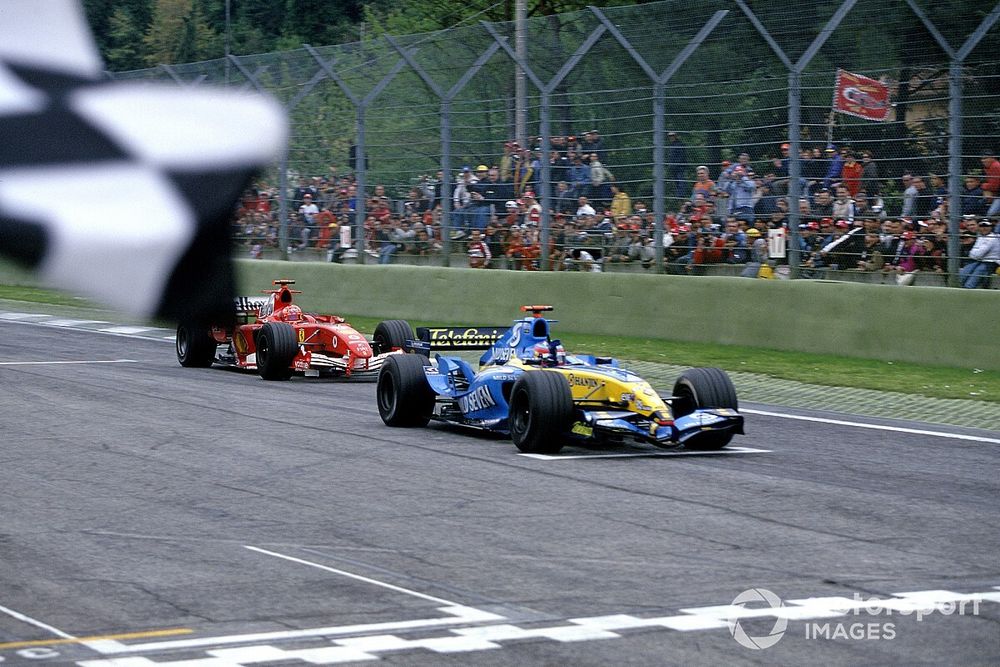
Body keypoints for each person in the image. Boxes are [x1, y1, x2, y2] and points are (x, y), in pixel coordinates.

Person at [959, 219, 1000, 288]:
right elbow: (973, 254)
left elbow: (978, 254)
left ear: (990, 227)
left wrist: (975, 253)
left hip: (991, 262)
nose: (984, 228)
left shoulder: (993, 238)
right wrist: (976, 253)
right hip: (979, 261)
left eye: (986, 226)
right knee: (965, 272)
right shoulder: (980, 237)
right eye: (981, 226)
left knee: (973, 279)